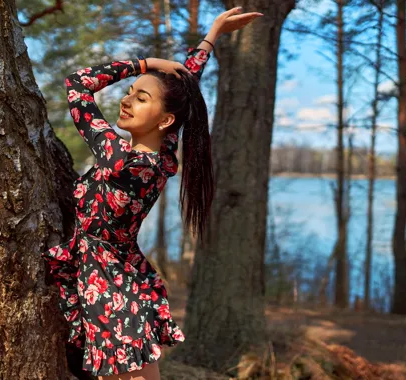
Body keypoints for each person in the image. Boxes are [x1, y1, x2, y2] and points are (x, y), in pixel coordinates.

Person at [40, 7, 263, 380]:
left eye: (140, 98)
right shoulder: (161, 156)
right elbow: (186, 83)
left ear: (164, 120)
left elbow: (78, 84)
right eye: (128, 93)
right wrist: (213, 34)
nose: (126, 101)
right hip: (122, 280)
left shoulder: (121, 160)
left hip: (106, 287)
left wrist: (143, 63)